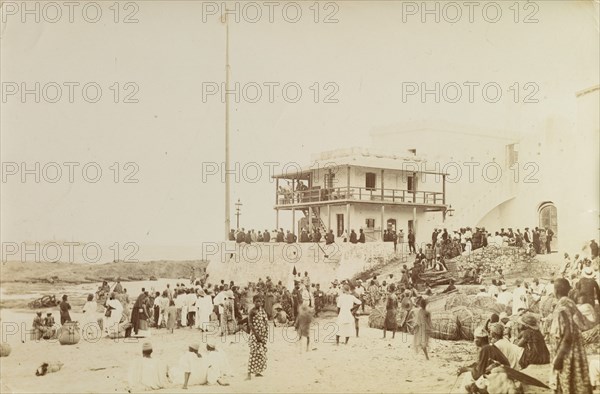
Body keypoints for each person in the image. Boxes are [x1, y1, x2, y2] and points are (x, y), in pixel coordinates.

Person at [549, 278, 593, 393]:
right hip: (575, 353)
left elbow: (567, 335)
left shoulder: (562, 308)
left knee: (567, 385)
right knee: (576, 385)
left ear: (556, 290)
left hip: (566, 355)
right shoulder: (571, 304)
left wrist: (558, 358)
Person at [457, 326, 510, 393]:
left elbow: (479, 373)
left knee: (468, 376)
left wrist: (465, 369)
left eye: (475, 338)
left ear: (479, 340)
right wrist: (468, 367)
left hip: (500, 378)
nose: (474, 341)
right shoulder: (490, 346)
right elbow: (480, 364)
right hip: (503, 374)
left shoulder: (485, 349)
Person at [247, 295, 268, 380]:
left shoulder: (262, 310)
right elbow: (250, 324)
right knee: (253, 354)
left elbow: (264, 322)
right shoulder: (252, 311)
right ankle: (248, 373)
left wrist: (263, 335)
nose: (259, 303)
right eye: (257, 301)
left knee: (261, 354)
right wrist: (257, 336)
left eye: (260, 301)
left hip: (262, 335)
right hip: (255, 336)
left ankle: (257, 371)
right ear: (253, 302)